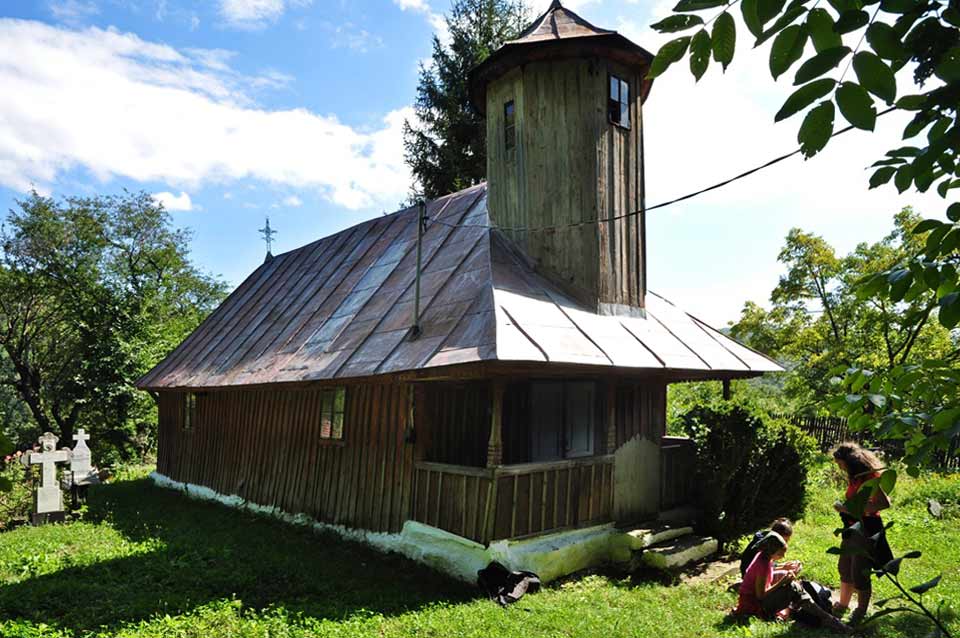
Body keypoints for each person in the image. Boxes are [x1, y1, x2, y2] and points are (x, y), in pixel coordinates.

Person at [736, 532, 852, 633]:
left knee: (793, 585)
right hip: (754, 605)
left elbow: (769, 572)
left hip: (755, 599)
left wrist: (784, 567)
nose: (783, 556)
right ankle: (827, 619)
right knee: (792, 587)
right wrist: (782, 582)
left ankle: (823, 615)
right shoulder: (763, 565)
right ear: (772, 551)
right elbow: (760, 595)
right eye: (780, 553)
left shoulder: (764, 556)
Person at [831, 442, 894, 626]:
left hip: (865, 529)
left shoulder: (868, 479)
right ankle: (843, 604)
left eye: (840, 463)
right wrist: (847, 508)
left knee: (859, 571)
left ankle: (860, 611)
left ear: (850, 462)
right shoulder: (855, 478)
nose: (839, 467)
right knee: (845, 566)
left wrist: (851, 508)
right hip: (851, 528)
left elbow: (884, 503)